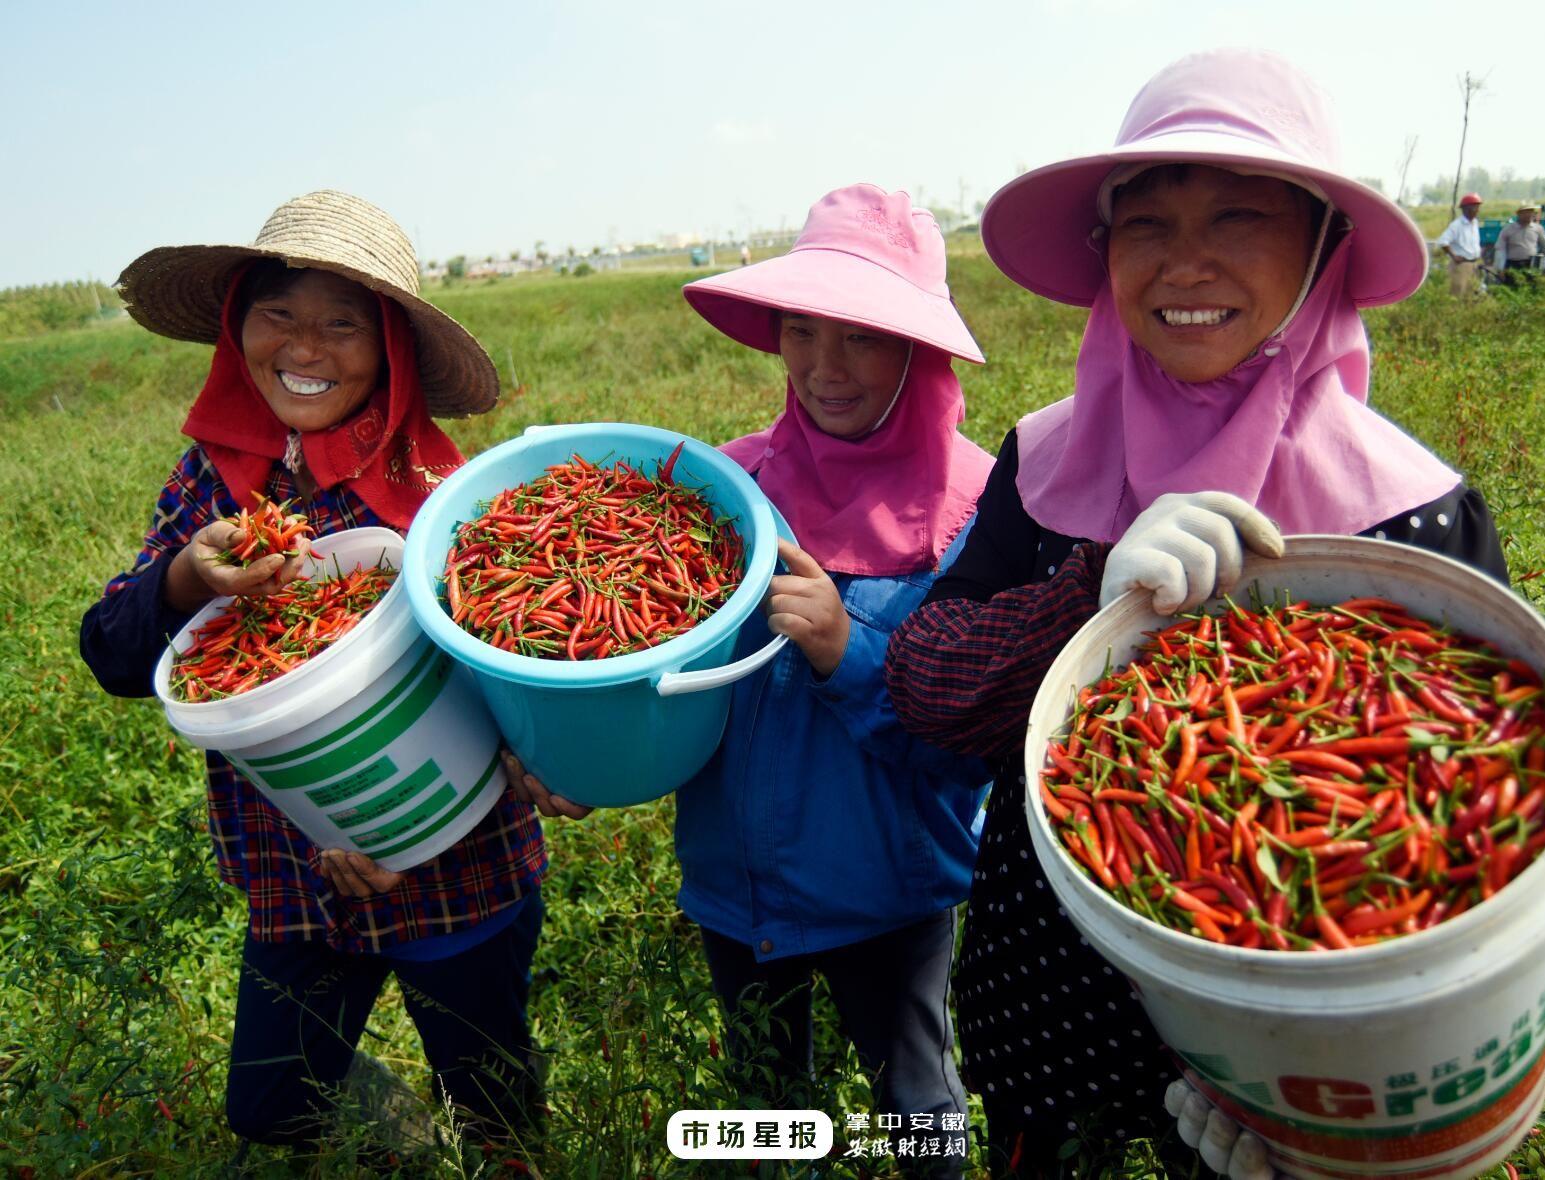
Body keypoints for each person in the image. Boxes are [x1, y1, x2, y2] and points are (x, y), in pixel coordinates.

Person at [884, 49, 1510, 1178]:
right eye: (1145, 223)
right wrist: (1090, 600)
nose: (1185, 262)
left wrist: (1368, 1094)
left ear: (1323, 243)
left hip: (1287, 1036)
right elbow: (925, 685)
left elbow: (1472, 845)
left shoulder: (1414, 518)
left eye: (1239, 215)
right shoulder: (1043, 459)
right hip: (1051, 987)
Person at [505, 184, 994, 1174]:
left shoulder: (978, 516)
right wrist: (574, 756)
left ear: (917, 348)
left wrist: (844, 649)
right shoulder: (730, 490)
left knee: (918, 1103)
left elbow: (969, 746)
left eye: (859, 336)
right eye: (801, 331)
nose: (822, 366)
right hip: (740, 887)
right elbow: (649, 669)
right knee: (769, 1108)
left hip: (890, 898)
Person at [80, 191, 547, 1155]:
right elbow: (116, 658)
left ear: (391, 351)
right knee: (270, 1109)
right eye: (278, 315)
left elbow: (517, 679)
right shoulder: (211, 485)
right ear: (235, 326)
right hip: (293, 877)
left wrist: (402, 829)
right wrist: (181, 576)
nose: (305, 347)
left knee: (496, 1110)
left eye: (343, 324)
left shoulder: (446, 502)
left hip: (456, 863)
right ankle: (401, 1143)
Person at [1495, 202, 1545, 284]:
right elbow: (1500, 250)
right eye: (1525, 212)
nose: (1528, 215)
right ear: (1519, 214)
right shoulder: (1508, 229)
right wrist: (1500, 269)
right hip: (1513, 266)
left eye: (1530, 212)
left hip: (1532, 265)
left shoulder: (1537, 229)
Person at [1434, 192, 1484, 297]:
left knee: (1471, 295)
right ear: (1466, 209)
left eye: (1478, 207)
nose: (1478, 210)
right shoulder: (1457, 225)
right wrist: (1454, 256)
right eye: (1475, 207)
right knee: (1458, 294)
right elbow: (1443, 241)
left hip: (1474, 264)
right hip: (1461, 265)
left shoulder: (1474, 223)